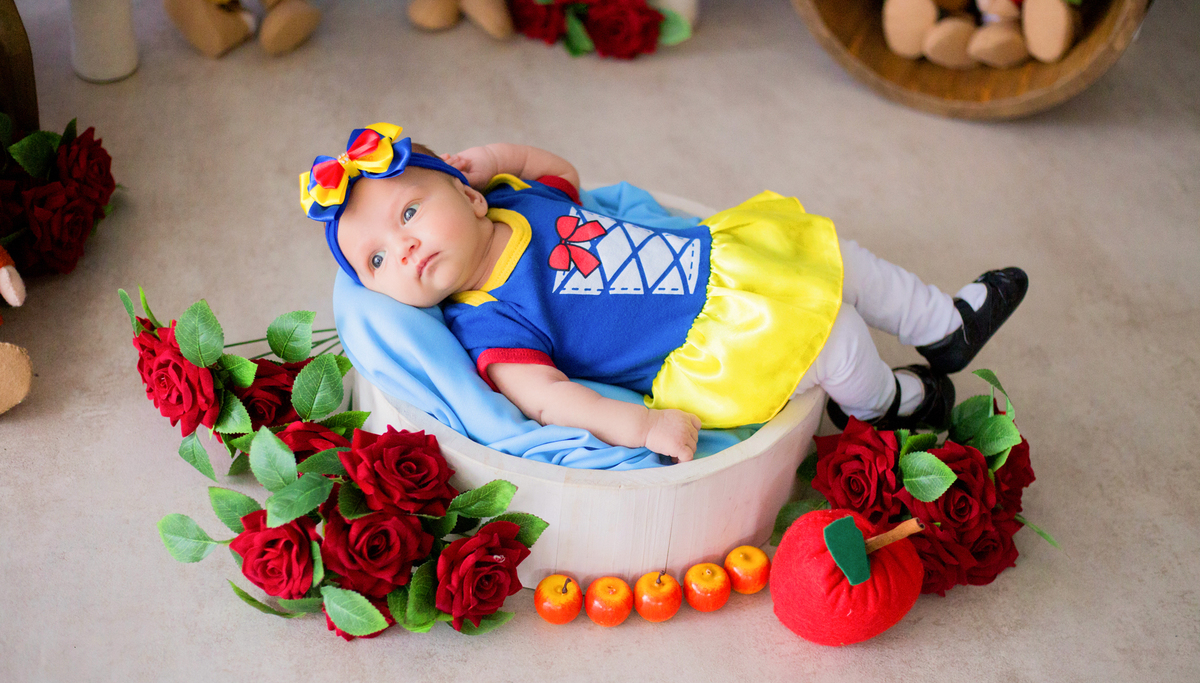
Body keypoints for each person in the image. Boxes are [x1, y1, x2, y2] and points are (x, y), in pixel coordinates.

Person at [301, 123, 1026, 462]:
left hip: (718, 260)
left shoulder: (520, 197)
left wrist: (494, 158)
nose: (405, 246)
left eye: (408, 212)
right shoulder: (489, 324)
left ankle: (944, 324)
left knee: (833, 251)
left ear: (469, 194)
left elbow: (564, 170)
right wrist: (639, 429)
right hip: (708, 341)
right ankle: (886, 404)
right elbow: (552, 399)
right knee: (834, 333)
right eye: (376, 258)